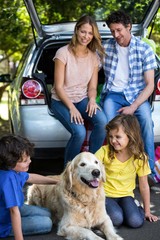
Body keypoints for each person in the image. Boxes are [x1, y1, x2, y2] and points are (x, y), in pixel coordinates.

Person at [100, 10, 157, 182]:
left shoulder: (144, 49)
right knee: (109, 125)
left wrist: (133, 107)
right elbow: (89, 67)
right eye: (112, 31)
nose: (115, 35)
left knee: (146, 122)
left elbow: (150, 85)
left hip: (137, 96)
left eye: (119, 30)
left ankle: (149, 171)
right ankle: (113, 170)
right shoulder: (105, 47)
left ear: (129, 27)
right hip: (113, 95)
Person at [51, 15, 107, 166]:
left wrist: (91, 100)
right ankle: (69, 170)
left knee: (102, 122)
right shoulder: (63, 53)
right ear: (76, 30)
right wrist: (72, 108)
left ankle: (93, 164)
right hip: (61, 100)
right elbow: (58, 87)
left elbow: (93, 87)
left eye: (90, 33)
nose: (86, 36)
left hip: (82, 99)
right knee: (80, 132)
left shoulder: (94, 57)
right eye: (83, 32)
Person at [95, 114, 158, 228]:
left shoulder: (140, 157)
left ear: (131, 136)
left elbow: (144, 186)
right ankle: (111, 211)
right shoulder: (104, 151)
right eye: (110, 136)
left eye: (118, 137)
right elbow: (90, 165)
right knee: (117, 219)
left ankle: (135, 206)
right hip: (106, 195)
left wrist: (147, 211)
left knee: (136, 222)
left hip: (126, 196)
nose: (113, 141)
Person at [0, 134, 59, 239]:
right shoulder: (8, 179)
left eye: (29, 158)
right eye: (25, 160)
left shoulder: (13, 171)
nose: (30, 161)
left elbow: (31, 177)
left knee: (48, 213)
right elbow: (14, 211)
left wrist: (56, 182)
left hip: (13, 209)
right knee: (47, 222)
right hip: (4, 224)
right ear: (11, 162)